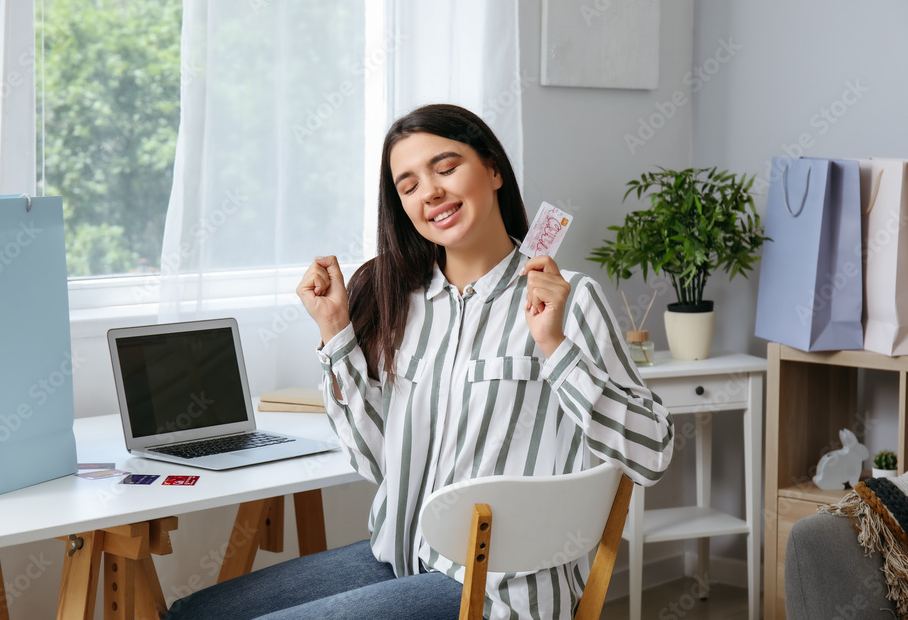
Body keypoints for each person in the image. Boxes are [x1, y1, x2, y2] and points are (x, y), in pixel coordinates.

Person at [166, 104, 674, 619]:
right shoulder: (401, 304)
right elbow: (378, 464)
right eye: (407, 185)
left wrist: (555, 347)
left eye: (446, 167)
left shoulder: (571, 299)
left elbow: (651, 454)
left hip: (501, 592)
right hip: (401, 561)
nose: (429, 191)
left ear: (494, 170)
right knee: (191, 613)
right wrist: (335, 332)